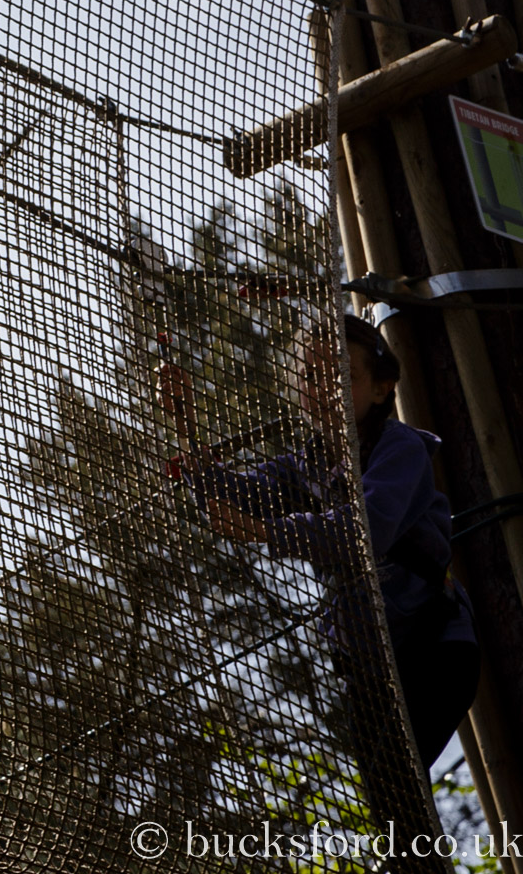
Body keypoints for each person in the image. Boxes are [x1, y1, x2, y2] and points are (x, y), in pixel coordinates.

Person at [161, 313, 478, 844]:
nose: (323, 389)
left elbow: (363, 530)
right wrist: (187, 431)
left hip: (433, 647)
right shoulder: (305, 465)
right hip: (370, 664)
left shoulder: (399, 449)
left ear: (381, 388)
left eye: (341, 376)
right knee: (386, 801)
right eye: (309, 376)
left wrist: (268, 532)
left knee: (397, 785)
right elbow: (237, 498)